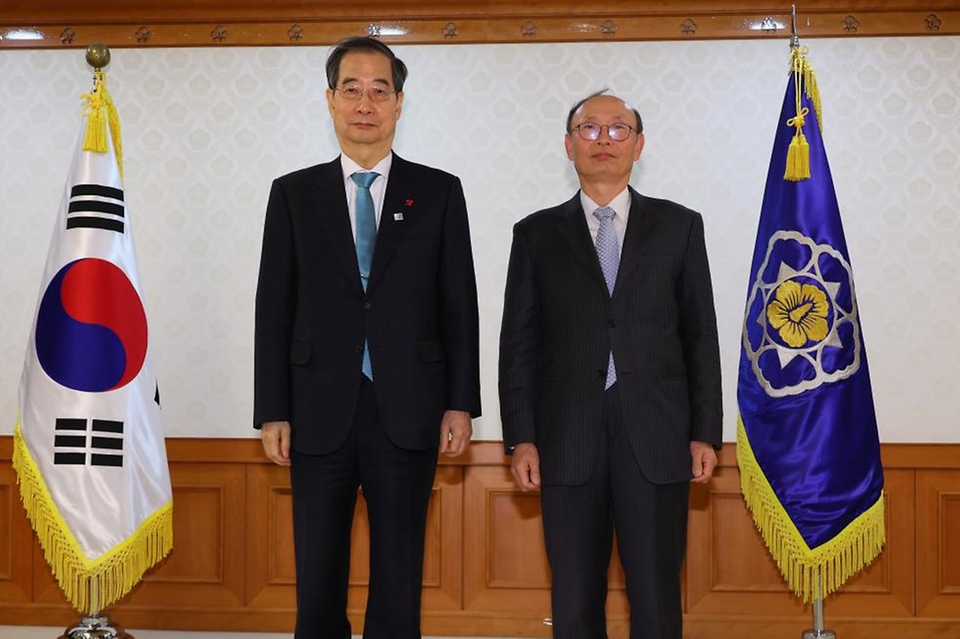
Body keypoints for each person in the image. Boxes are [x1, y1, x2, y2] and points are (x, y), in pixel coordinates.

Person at [254, 36, 481, 639]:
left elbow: (459, 304)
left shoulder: (438, 191)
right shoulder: (293, 193)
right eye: (351, 89)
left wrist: (460, 402)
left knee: (400, 573)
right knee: (318, 573)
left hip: (408, 407)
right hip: (316, 407)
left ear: (399, 103)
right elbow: (273, 306)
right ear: (330, 100)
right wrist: (272, 409)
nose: (365, 103)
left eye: (380, 90)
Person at [498, 89, 722, 639]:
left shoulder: (680, 227)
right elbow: (518, 344)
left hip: (658, 435)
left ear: (639, 144)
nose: (604, 140)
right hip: (565, 438)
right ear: (569, 145)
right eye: (589, 129)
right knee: (573, 597)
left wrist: (705, 433)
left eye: (618, 129)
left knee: (656, 598)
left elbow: (701, 337)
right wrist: (521, 437)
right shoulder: (534, 234)